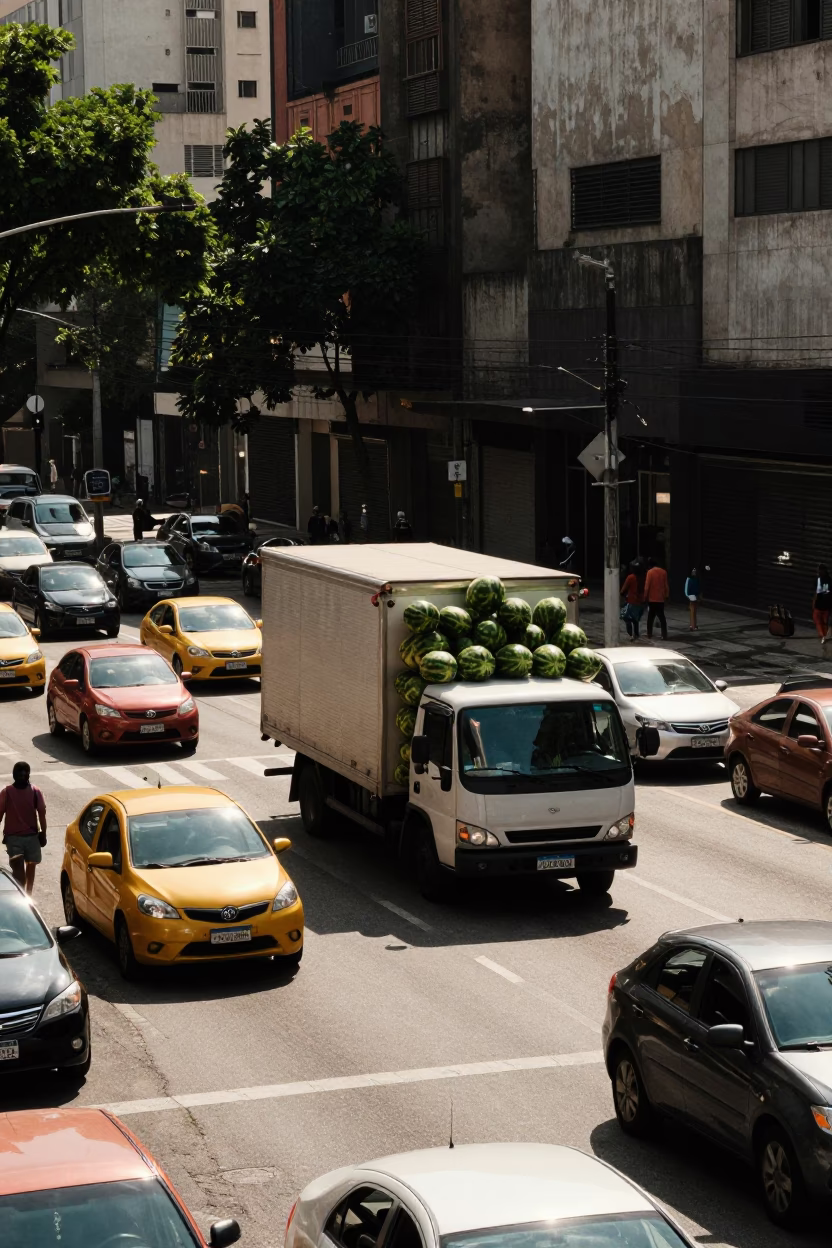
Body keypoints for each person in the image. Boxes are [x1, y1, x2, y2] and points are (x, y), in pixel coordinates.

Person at [0, 761, 46, 894]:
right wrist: (43, 833)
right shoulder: (35, 791)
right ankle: (27, 895)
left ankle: (23, 895)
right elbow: (42, 814)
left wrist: (43, 833)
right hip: (31, 838)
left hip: (14, 839)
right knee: (30, 868)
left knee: (20, 871)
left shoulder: (6, 792)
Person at [644, 556, 670, 641]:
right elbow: (666, 585)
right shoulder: (663, 572)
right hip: (661, 598)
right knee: (662, 617)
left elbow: (647, 587)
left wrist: (645, 597)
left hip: (652, 599)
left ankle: (649, 633)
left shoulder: (650, 572)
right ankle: (664, 634)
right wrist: (666, 596)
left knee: (650, 617)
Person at [620, 561, 647, 642]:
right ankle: (636, 634)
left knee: (626, 618)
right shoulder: (644, 577)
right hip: (641, 602)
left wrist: (623, 595)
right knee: (635, 619)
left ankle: (630, 634)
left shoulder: (631, 577)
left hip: (632, 601)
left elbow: (623, 590)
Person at [814, 564, 831, 646]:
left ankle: (822, 635)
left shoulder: (823, 580)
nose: (817, 572)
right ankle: (824, 635)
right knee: (824, 622)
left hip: (821, 604)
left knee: (818, 619)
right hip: (826, 605)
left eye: (819, 570)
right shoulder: (828, 579)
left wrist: (816, 602)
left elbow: (824, 592)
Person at [685, 566, 701, 631]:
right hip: (691, 597)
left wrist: (698, 596)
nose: (694, 572)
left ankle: (693, 625)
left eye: (695, 571)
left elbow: (697, 588)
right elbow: (686, 590)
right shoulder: (689, 579)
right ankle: (692, 626)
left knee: (694, 612)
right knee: (692, 611)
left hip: (695, 597)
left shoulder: (696, 579)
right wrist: (688, 596)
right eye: (693, 571)